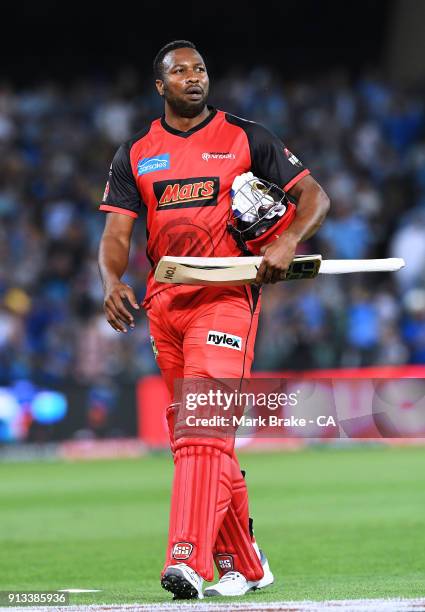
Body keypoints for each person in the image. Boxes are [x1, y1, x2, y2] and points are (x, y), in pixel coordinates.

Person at [98, 40, 330, 600]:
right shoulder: (136, 152)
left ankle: (187, 559)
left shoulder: (248, 137)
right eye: (180, 71)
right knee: (195, 438)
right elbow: (116, 235)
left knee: (202, 424)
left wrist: (288, 242)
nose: (193, 77)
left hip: (227, 298)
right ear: (160, 86)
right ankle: (248, 564)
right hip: (165, 306)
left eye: (200, 69)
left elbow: (315, 198)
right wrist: (112, 281)